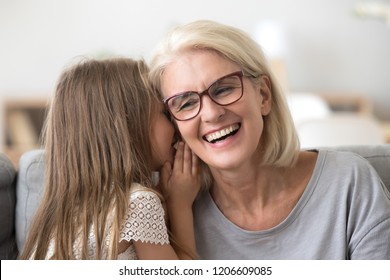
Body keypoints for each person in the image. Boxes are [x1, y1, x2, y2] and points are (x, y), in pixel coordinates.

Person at [148, 20, 390, 259]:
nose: (211, 113)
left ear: (263, 95)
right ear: (175, 125)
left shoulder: (349, 182)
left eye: (223, 89)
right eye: (187, 103)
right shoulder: (163, 208)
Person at [20, 57, 200, 260]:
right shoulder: (138, 204)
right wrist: (180, 205)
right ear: (129, 126)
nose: (176, 126)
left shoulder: (64, 215)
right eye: (165, 114)